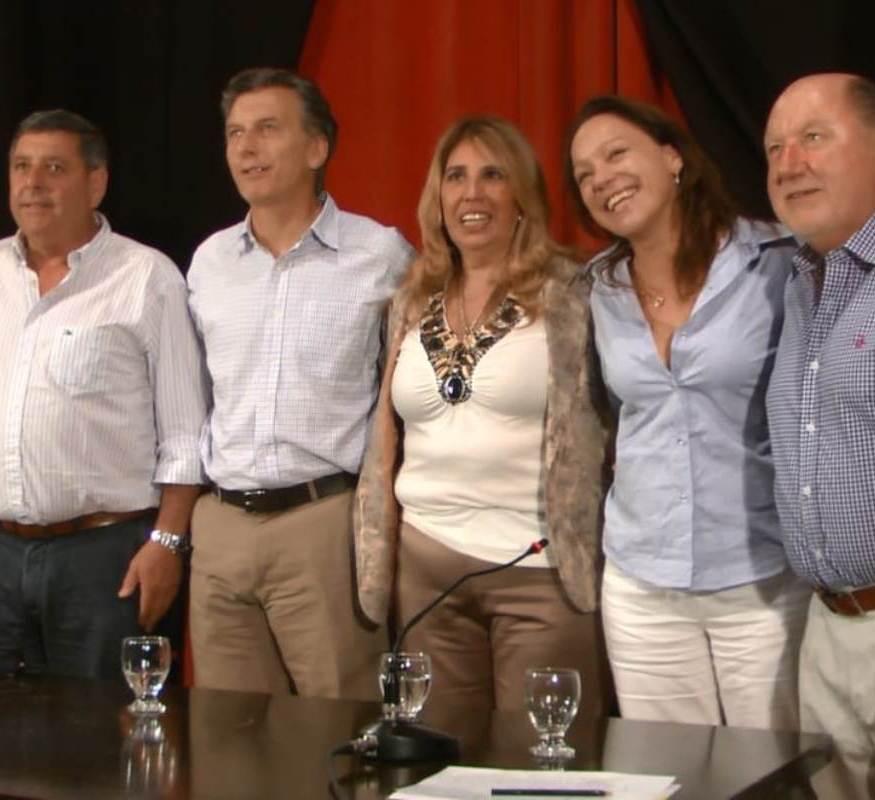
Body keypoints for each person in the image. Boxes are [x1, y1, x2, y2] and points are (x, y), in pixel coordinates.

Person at [353, 116, 612, 717]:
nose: (472, 193)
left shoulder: (572, 293)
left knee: (543, 757)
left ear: (522, 195)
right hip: (425, 570)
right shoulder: (411, 298)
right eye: (456, 177)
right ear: (438, 197)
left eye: (493, 175)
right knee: (443, 754)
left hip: (540, 570)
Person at [565, 96, 810, 729]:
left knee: (775, 770)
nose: (602, 179)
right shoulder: (595, 289)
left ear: (673, 156)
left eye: (616, 154)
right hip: (642, 584)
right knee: (666, 770)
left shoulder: (776, 260)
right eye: (585, 174)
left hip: (761, 580)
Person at [0, 109, 206, 679]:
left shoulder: (147, 277)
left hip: (105, 556)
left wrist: (167, 542)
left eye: (54, 168)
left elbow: (186, 434)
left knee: (99, 729)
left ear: (96, 183)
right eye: (21, 167)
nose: (32, 183)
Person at [186, 68, 414, 700]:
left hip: (324, 523)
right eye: (235, 133)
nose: (246, 147)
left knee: (339, 725)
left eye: (267, 129)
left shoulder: (381, 254)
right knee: (228, 733)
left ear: (317, 148)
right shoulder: (209, 261)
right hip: (222, 524)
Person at [764, 72, 875, 800]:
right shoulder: (796, 280)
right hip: (827, 626)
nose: (789, 163)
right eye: (774, 148)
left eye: (813, 138)